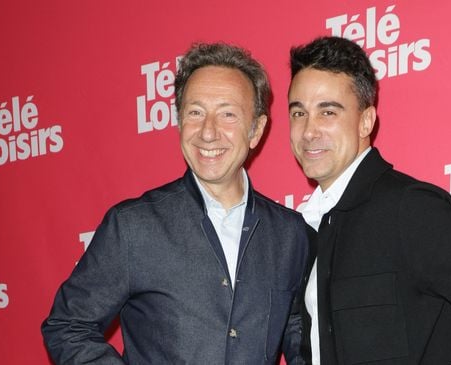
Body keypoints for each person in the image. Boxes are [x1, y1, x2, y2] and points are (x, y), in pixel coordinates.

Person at [42, 43, 308, 364]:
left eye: (227, 114)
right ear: (180, 122)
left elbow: (297, 329)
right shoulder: (132, 226)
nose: (208, 132)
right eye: (195, 112)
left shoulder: (291, 233)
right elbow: (67, 326)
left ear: (256, 130)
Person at [288, 36, 451, 365]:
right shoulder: (309, 226)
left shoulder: (407, 207)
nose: (308, 131)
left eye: (328, 112)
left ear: (366, 121)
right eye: (298, 113)